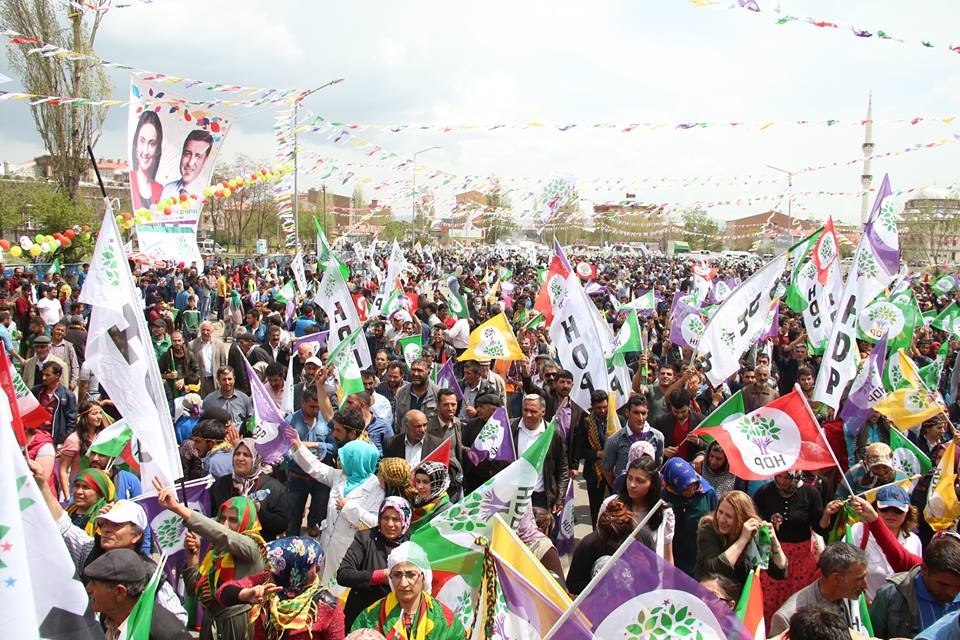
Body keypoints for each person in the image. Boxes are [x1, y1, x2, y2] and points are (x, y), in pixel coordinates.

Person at [29, 457, 188, 623]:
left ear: (136, 535)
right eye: (104, 523)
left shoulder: (149, 574)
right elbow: (64, 526)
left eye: (116, 525)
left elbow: (178, 620)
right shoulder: (89, 550)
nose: (106, 529)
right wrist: (42, 484)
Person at [153, 478, 267, 640]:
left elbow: (223, 534)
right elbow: (195, 589)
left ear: (247, 522)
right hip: (210, 623)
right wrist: (193, 555)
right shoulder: (217, 550)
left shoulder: (252, 546)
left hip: (238, 625)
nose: (225, 524)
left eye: (233, 520)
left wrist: (177, 508)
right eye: (222, 518)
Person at [284, 425, 385, 590]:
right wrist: (297, 444)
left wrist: (349, 509)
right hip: (327, 545)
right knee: (319, 589)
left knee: (338, 595)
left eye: (346, 459)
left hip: (349, 552)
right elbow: (315, 468)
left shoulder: (376, 489)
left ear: (357, 461)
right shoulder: (340, 477)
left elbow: (376, 522)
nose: (341, 463)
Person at [216, 537, 345, 640]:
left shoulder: (327, 605)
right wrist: (244, 595)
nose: (317, 571)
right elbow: (221, 593)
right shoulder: (267, 582)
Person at [755, 471, 829, 621]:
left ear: (796, 476)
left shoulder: (810, 493)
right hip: (773, 558)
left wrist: (827, 513)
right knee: (768, 601)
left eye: (787, 478)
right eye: (778, 477)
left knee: (796, 606)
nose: (781, 482)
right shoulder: (764, 492)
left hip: (800, 561)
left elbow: (819, 528)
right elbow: (754, 516)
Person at [351, 541, 465, 639]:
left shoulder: (443, 619)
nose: (403, 583)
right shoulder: (371, 617)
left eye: (411, 575)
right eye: (397, 575)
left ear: (423, 577)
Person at [337, 497, 413, 629]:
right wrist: (379, 576)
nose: (390, 524)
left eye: (396, 519)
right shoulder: (365, 539)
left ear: (405, 521)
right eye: (385, 518)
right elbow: (343, 574)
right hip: (362, 617)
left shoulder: (412, 544)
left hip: (396, 620)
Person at [84, 549, 192, 640]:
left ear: (119, 592)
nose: (88, 589)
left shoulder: (167, 634)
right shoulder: (108, 615)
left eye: (94, 583)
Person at [870, 531, 960, 639]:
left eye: (958, 587)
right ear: (924, 569)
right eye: (944, 585)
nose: (952, 593)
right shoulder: (891, 595)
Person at [769, 542, 869, 637]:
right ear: (836, 578)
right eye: (860, 579)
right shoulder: (787, 617)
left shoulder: (853, 598)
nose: (865, 585)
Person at [693, 490, 788, 589]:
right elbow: (715, 569)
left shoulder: (754, 532)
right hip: (709, 594)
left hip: (739, 598)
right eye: (720, 512)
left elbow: (779, 573)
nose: (721, 519)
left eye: (728, 516)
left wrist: (775, 544)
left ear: (742, 519)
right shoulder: (709, 527)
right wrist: (743, 539)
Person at [847, 484, 923, 599]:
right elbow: (845, 570)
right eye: (885, 508)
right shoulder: (859, 532)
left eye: (897, 510)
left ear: (907, 512)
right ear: (875, 508)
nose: (891, 513)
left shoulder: (914, 541)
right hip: (864, 610)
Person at [210, 438, 289, 541]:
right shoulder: (220, 484)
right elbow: (211, 515)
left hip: (258, 548)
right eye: (237, 454)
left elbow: (282, 525)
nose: (240, 458)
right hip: (225, 547)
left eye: (246, 455)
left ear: (256, 459)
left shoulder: (274, 487)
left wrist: (259, 511)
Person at [565, 498, 641, 594]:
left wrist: (644, 566)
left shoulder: (639, 541)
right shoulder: (588, 544)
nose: (615, 545)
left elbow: (650, 580)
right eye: (610, 540)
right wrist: (601, 589)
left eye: (619, 540)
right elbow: (573, 583)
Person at [661, 457, 718, 577]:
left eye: (693, 486)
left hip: (698, 555)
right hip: (672, 553)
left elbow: (714, 519)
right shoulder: (665, 495)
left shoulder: (707, 493)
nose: (691, 491)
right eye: (685, 488)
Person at [570, 389, 617, 526]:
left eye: (604, 407)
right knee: (596, 508)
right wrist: (597, 454)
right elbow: (580, 449)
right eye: (598, 408)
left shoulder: (616, 420)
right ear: (592, 407)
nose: (602, 411)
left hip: (613, 470)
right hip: (594, 471)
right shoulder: (585, 423)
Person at [615, 455, 674, 562]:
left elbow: (667, 556)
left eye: (640, 481)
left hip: (650, 575)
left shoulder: (665, 513)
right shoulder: (613, 505)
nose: (632, 485)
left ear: (652, 484)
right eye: (629, 478)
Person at [161, 129, 215, 200]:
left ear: (205, 161)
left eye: (198, 156)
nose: (190, 163)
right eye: (187, 154)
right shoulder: (164, 191)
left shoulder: (206, 196)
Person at [66, 468, 115, 536]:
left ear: (100, 493)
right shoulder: (68, 512)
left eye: (85, 487)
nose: (78, 492)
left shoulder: (105, 516)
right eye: (77, 486)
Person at [130, 110, 164, 208]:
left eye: (152, 143)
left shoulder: (160, 189)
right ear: (135, 145)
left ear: (157, 149)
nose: (145, 151)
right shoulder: (129, 182)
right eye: (142, 141)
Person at [409, 461, 452, 534]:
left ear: (438, 483)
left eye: (425, 482)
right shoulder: (414, 503)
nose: (420, 486)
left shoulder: (448, 510)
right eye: (418, 481)